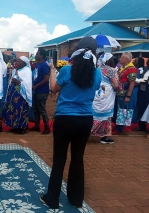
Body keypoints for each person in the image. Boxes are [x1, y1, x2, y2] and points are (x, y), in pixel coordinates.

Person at [40, 37, 101, 209]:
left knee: (59, 159)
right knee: (78, 158)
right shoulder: (97, 73)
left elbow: (54, 88)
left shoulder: (67, 70)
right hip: (85, 120)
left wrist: (52, 70)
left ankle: (52, 199)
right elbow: (94, 89)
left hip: (65, 119)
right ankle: (76, 199)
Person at [91, 53, 119, 144]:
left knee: (94, 114)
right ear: (107, 60)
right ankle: (104, 136)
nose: (113, 60)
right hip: (107, 96)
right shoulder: (110, 70)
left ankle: (85, 132)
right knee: (106, 116)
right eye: (111, 58)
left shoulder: (97, 69)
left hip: (97, 94)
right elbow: (116, 85)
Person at [3, 56, 32, 134]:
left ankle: (23, 127)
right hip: (13, 94)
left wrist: (18, 82)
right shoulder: (16, 70)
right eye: (17, 61)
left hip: (21, 95)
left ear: (24, 63)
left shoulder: (27, 71)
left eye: (19, 61)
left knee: (21, 109)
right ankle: (15, 126)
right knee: (13, 109)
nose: (17, 62)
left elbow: (27, 84)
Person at [113, 52, 137, 134]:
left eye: (121, 57)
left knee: (122, 110)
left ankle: (119, 128)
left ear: (126, 59)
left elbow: (132, 83)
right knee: (118, 110)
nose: (119, 59)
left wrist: (128, 96)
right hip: (118, 93)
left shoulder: (131, 69)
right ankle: (118, 126)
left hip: (123, 94)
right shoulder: (123, 68)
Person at [30, 48, 51, 134]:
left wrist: (36, 86)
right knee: (35, 109)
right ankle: (37, 126)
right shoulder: (38, 65)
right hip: (37, 90)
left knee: (42, 109)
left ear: (42, 56)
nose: (36, 55)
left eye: (37, 54)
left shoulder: (44, 65)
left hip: (42, 90)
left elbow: (46, 79)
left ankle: (47, 127)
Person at [134, 57, 149, 132]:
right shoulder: (146, 69)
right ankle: (142, 125)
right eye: (147, 63)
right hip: (142, 92)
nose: (147, 65)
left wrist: (148, 82)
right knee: (141, 109)